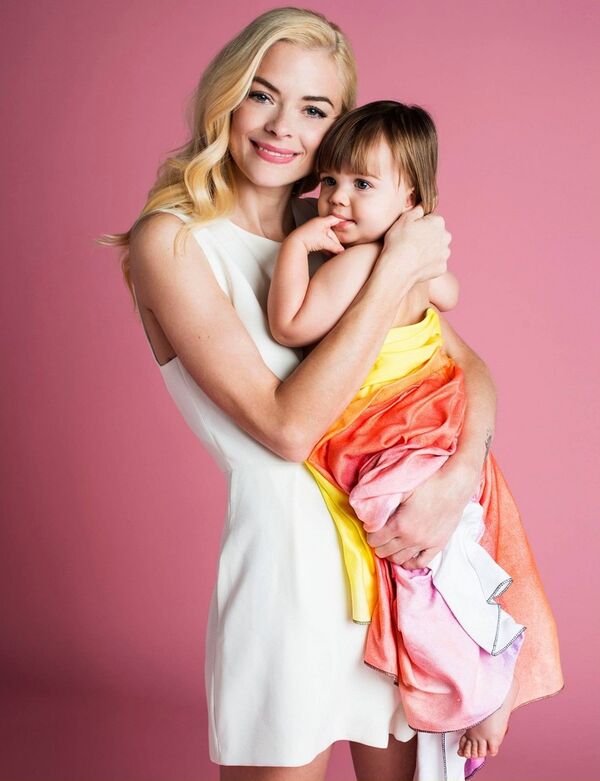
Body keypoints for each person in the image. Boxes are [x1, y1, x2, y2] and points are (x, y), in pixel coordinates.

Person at [102, 8, 508, 781]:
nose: (282, 126)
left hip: (392, 567)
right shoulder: (175, 241)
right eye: (262, 94)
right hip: (286, 575)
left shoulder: (338, 226)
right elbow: (288, 430)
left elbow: (468, 367)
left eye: (314, 109)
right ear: (226, 98)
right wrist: (393, 270)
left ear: (338, 129)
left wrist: (458, 480)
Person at [267, 100, 563, 775]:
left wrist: (295, 250)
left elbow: (289, 325)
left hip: (396, 437)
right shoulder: (413, 268)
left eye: (362, 185)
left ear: (411, 199)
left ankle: (476, 685)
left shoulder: (352, 266)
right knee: (453, 562)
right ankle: (484, 672)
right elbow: (449, 293)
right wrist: (419, 253)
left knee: (419, 566)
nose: (337, 199)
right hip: (438, 423)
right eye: (330, 181)